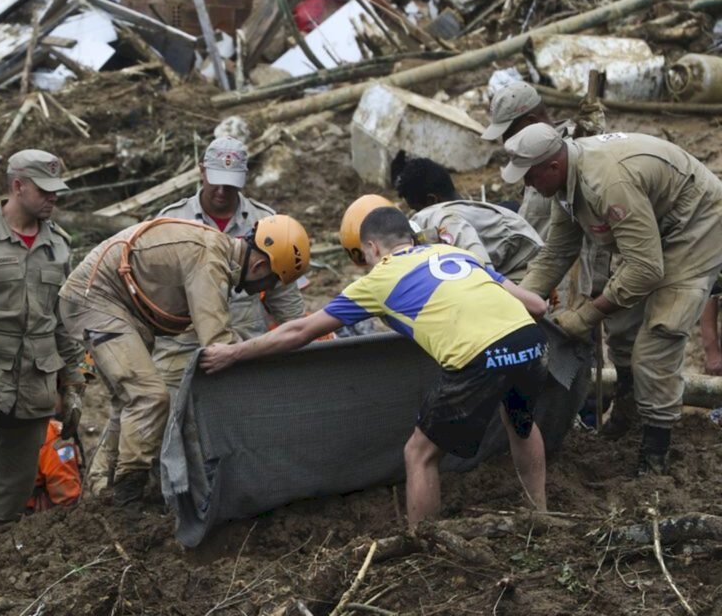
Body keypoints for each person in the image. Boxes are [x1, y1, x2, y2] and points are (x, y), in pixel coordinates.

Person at [201, 207, 549, 526]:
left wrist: (233, 354)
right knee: (520, 424)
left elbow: (301, 330)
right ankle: (540, 513)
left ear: (373, 248)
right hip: (529, 341)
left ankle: (425, 540)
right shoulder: (455, 253)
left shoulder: (378, 280)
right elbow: (536, 306)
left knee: (419, 453)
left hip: (477, 357)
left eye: (365, 255)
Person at [85, 135, 306, 497]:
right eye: (215, 180)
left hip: (240, 347)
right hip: (178, 348)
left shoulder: (268, 225)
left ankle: (229, 496)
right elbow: (142, 292)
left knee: (239, 433)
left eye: (230, 184)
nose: (221, 191)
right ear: (201, 171)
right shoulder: (171, 221)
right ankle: (123, 493)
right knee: (155, 418)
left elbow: (286, 299)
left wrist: (307, 337)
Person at [503, 124, 722, 474]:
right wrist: (517, 305)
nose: (526, 185)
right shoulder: (565, 183)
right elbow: (557, 252)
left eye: (529, 177)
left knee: (658, 340)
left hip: (695, 225)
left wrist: (586, 316)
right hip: (651, 229)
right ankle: (630, 412)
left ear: (553, 167)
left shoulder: (606, 183)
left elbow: (646, 270)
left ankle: (655, 452)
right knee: (622, 326)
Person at [59, 214, 311, 507]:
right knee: (149, 398)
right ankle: (127, 500)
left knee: (130, 400)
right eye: (270, 282)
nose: (263, 291)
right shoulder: (210, 259)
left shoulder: (215, 253)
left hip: (114, 304)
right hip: (97, 300)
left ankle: (104, 490)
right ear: (258, 266)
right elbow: (218, 346)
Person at [0, 150, 86, 537]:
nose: (52, 198)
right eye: (44, 190)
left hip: (36, 378)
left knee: (19, 475)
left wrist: (74, 382)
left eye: (56, 191)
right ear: (17, 186)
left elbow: (64, 319)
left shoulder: (59, 245)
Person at [395, 157, 543, 283]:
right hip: (521, 270)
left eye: (417, 209)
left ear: (431, 200)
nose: (417, 215)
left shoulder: (445, 218)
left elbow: (482, 275)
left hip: (528, 277)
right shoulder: (465, 211)